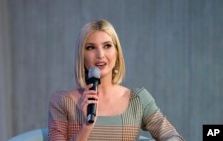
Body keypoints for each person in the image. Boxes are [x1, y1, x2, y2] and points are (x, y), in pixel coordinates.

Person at [48, 19, 184, 141]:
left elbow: (171, 135)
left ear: (117, 53)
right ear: (82, 56)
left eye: (107, 46)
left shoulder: (138, 100)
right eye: (91, 47)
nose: (100, 55)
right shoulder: (61, 102)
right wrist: (86, 126)